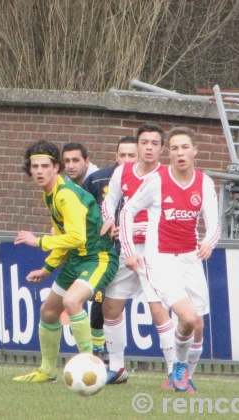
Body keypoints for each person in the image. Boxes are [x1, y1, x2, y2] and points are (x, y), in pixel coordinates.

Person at [119, 126, 220, 393]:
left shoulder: (204, 182)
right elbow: (128, 211)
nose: (180, 153)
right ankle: (178, 368)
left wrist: (209, 242)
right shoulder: (157, 181)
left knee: (197, 323)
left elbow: (214, 223)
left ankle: (184, 377)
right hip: (160, 259)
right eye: (174, 148)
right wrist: (129, 250)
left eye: (185, 147)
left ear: (195, 151)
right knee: (186, 317)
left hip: (190, 259)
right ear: (170, 154)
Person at [12, 140, 118, 383]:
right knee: (48, 312)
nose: (39, 171)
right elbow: (63, 236)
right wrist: (47, 268)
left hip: (97, 258)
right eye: (34, 166)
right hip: (77, 260)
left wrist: (38, 242)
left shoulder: (65, 195)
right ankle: (47, 371)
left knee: (71, 301)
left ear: (55, 168)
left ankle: (92, 367)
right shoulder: (50, 194)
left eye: (44, 166)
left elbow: (76, 237)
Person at [100, 123, 175, 385]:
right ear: (138, 144)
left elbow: (170, 214)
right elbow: (110, 202)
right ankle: (118, 368)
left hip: (155, 250)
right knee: (111, 306)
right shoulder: (122, 172)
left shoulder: (168, 175)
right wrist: (109, 221)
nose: (149, 147)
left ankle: (173, 372)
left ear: (161, 149)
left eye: (155, 143)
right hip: (127, 248)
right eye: (144, 142)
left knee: (158, 311)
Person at [81, 136, 138, 361]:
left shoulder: (153, 181)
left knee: (159, 307)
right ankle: (99, 352)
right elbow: (82, 214)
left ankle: (175, 364)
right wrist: (101, 231)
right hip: (106, 252)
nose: (125, 160)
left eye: (131, 155)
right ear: (115, 156)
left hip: (143, 252)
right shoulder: (97, 180)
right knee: (101, 301)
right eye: (121, 155)